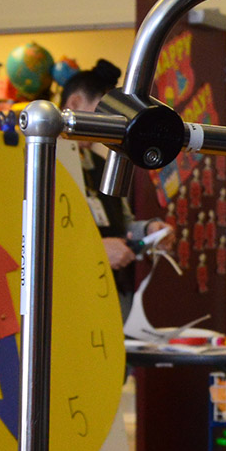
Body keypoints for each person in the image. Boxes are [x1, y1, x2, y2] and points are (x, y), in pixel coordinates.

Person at [58, 61, 140, 318]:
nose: (103, 129)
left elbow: (124, 222)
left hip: (111, 290)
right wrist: (95, 248)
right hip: (67, 294)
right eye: (99, 115)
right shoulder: (41, 164)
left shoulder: (104, 166)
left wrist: (149, 230)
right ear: (73, 104)